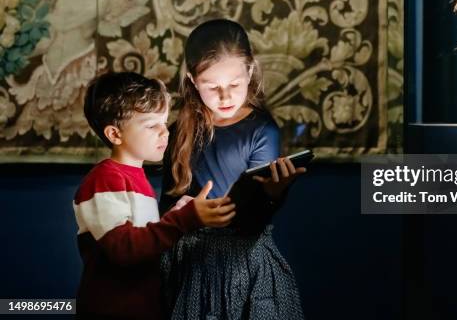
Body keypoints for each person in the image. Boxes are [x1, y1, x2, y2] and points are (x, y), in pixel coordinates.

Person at [159, 19, 305, 319]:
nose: (225, 96)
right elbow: (167, 203)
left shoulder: (262, 130)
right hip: (192, 262)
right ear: (192, 81)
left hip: (245, 262)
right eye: (212, 87)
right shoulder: (179, 132)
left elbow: (251, 222)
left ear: (250, 72)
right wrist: (181, 211)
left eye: (234, 84)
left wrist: (273, 193)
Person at [73, 71, 236, 320]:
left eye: (164, 121)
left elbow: (144, 238)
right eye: (152, 125)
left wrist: (174, 215)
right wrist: (185, 219)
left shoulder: (138, 179)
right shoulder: (105, 179)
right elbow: (125, 249)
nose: (165, 132)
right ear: (115, 134)